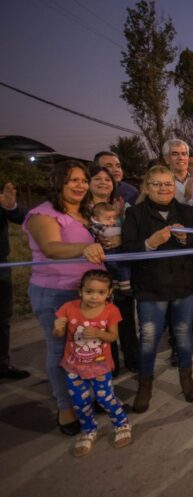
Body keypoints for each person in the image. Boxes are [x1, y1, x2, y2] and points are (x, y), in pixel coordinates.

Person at [23, 160, 106, 435]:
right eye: (73, 180)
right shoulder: (42, 214)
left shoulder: (86, 213)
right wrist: (86, 248)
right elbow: (51, 248)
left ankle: (86, 400)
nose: (80, 185)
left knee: (86, 348)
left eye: (83, 180)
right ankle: (65, 408)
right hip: (56, 292)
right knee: (61, 351)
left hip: (87, 294)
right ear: (58, 182)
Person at [122, 165, 193, 413]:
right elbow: (126, 251)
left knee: (183, 333)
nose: (163, 189)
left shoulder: (186, 211)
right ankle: (145, 386)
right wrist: (150, 243)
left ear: (175, 186)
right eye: (157, 184)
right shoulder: (135, 215)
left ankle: (186, 377)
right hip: (151, 288)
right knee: (149, 338)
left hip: (184, 285)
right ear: (147, 187)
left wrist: (186, 239)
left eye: (168, 184)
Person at [53, 270, 132, 456]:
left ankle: (121, 424)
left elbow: (113, 337)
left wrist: (98, 334)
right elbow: (57, 335)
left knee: (105, 398)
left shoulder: (111, 310)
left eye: (100, 292)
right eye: (89, 291)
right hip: (74, 366)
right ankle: (88, 430)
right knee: (80, 401)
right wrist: (57, 329)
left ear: (109, 292)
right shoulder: (68, 308)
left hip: (99, 366)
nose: (94, 297)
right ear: (80, 291)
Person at [161, 139, 193, 351]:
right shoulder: (161, 184)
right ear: (167, 159)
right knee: (175, 299)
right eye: (175, 154)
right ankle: (177, 344)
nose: (180, 158)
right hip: (171, 250)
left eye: (183, 153)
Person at [86, 165, 138, 374]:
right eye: (97, 178)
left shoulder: (120, 208)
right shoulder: (83, 211)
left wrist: (121, 237)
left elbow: (133, 232)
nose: (103, 182)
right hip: (96, 273)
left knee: (124, 316)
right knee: (101, 320)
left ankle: (132, 358)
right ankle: (110, 362)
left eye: (107, 179)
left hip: (121, 270)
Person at [0, 182, 29, 380]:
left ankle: (2, 364)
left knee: (2, 319)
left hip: (1, 266)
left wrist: (11, 206)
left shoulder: (3, 193)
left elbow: (26, 219)